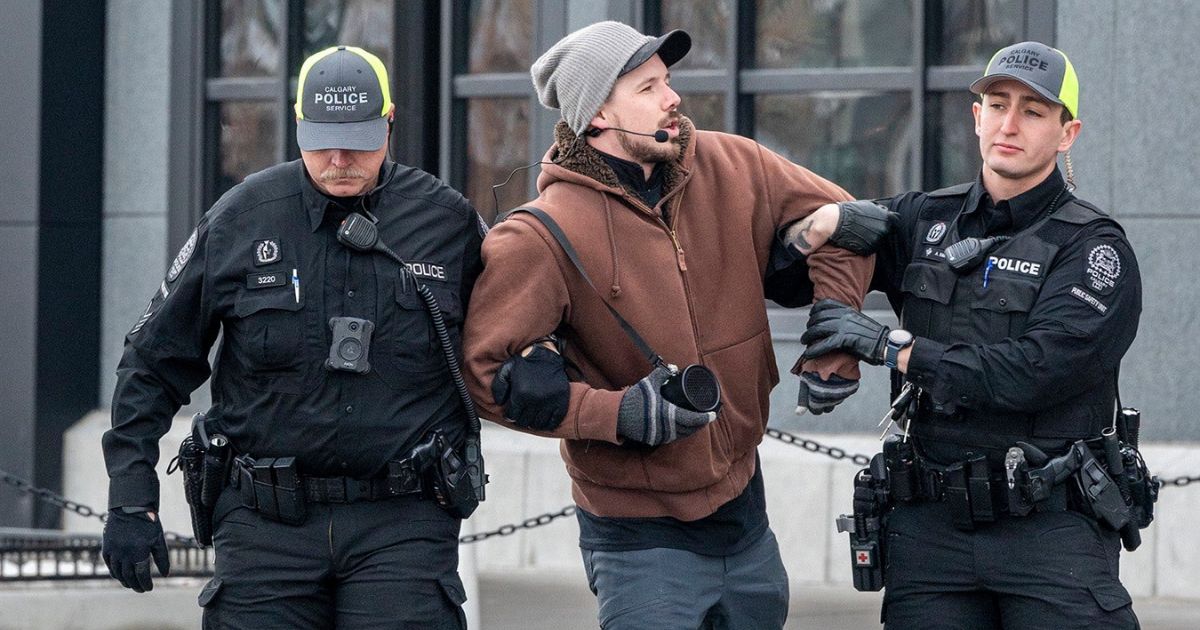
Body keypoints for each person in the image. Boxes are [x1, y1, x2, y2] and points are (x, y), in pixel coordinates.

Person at [462, 21, 873, 629]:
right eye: (648, 87)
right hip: (639, 544)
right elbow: (484, 377)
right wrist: (617, 415)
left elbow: (851, 225)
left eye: (668, 81)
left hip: (748, 520)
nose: (672, 97)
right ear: (598, 114)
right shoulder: (537, 236)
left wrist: (833, 341)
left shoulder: (736, 165)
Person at [101, 45, 484, 629]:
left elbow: (518, 328)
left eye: (357, 138)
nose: (338, 158)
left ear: (389, 122)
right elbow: (153, 360)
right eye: (322, 138)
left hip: (402, 524)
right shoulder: (242, 218)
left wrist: (543, 362)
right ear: (297, 124)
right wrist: (131, 494)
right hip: (264, 529)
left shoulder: (446, 222)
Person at [798, 42, 1142, 628]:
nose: (1010, 124)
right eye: (997, 104)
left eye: (1034, 111)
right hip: (930, 534)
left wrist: (891, 349)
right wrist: (823, 220)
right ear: (976, 116)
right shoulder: (922, 218)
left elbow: (1035, 371)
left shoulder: (1093, 249)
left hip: (1051, 535)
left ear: (1067, 133)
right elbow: (792, 269)